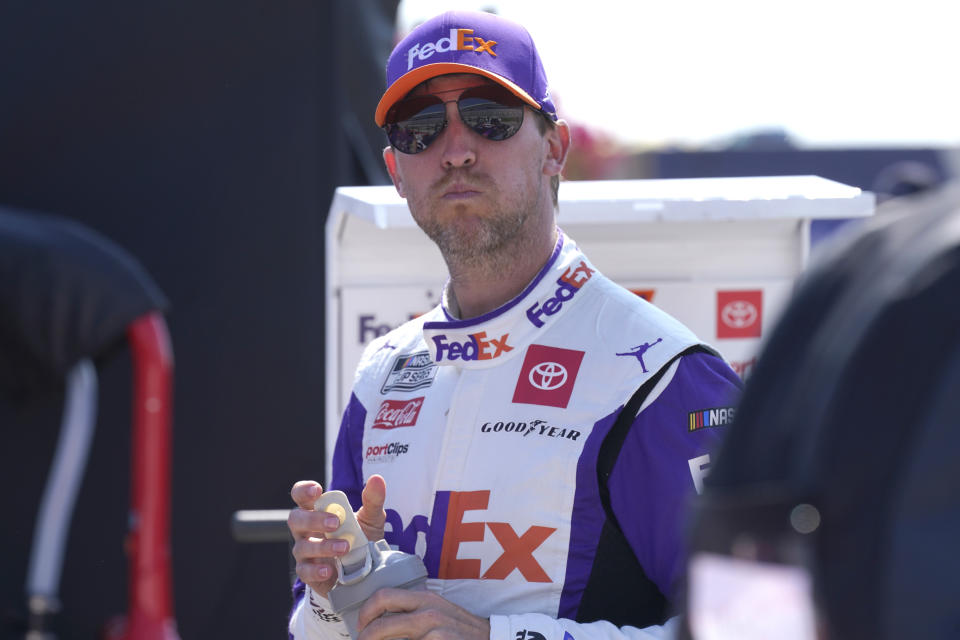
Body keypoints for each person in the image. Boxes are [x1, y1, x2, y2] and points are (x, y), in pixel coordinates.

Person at [287, 10, 742, 640]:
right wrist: (338, 592)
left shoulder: (661, 374)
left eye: (490, 119)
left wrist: (495, 636)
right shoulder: (383, 374)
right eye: (421, 130)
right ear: (394, 170)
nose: (456, 150)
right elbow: (320, 631)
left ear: (554, 149)